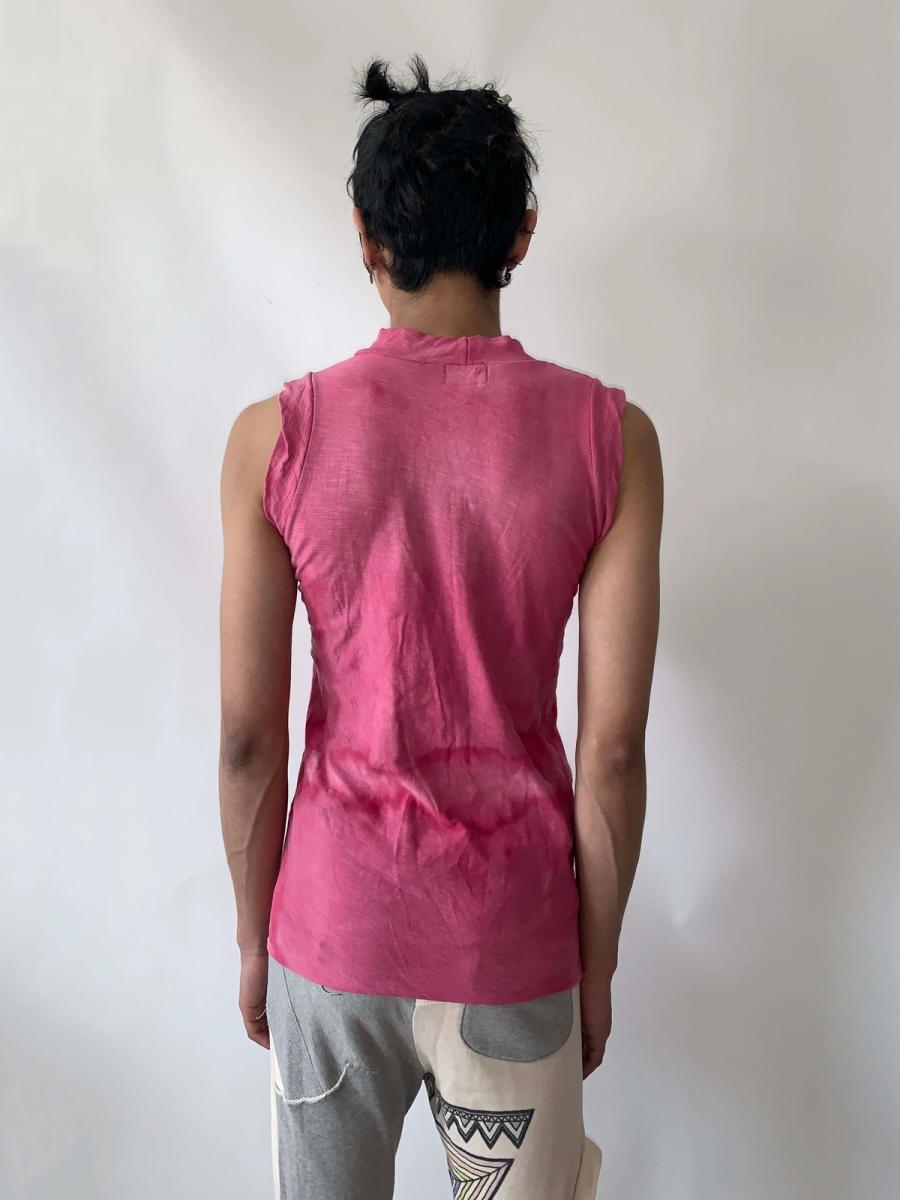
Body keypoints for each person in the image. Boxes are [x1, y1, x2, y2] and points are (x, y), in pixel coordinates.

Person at [219, 53, 663, 1200]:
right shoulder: (611, 441)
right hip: (510, 946)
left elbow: (248, 740)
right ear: (521, 235)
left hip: (331, 934)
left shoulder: (275, 440)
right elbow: (613, 749)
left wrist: (253, 938)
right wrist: (596, 964)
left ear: (366, 238)